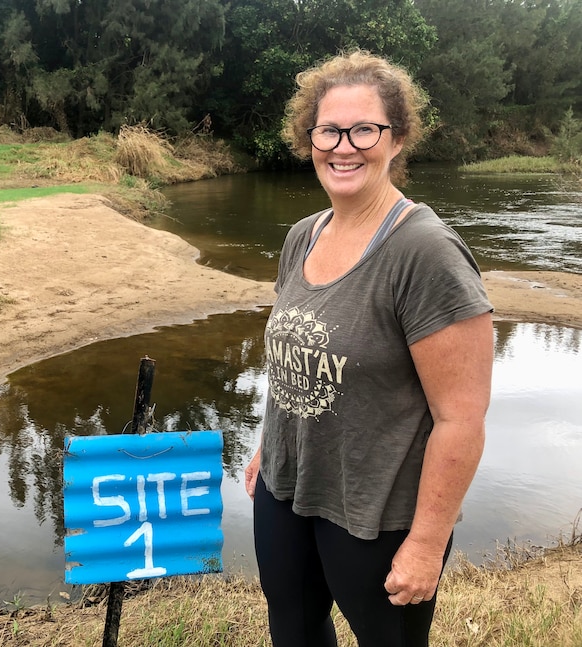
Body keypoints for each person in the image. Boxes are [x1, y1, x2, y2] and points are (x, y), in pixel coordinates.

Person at [244, 50, 494, 647]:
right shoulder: (303, 235)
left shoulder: (427, 254)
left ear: (397, 138)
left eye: (364, 129)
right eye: (327, 130)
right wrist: (267, 444)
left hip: (377, 511)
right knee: (295, 632)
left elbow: (462, 418)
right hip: (287, 487)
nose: (343, 146)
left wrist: (429, 541)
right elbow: (295, 357)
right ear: (309, 137)